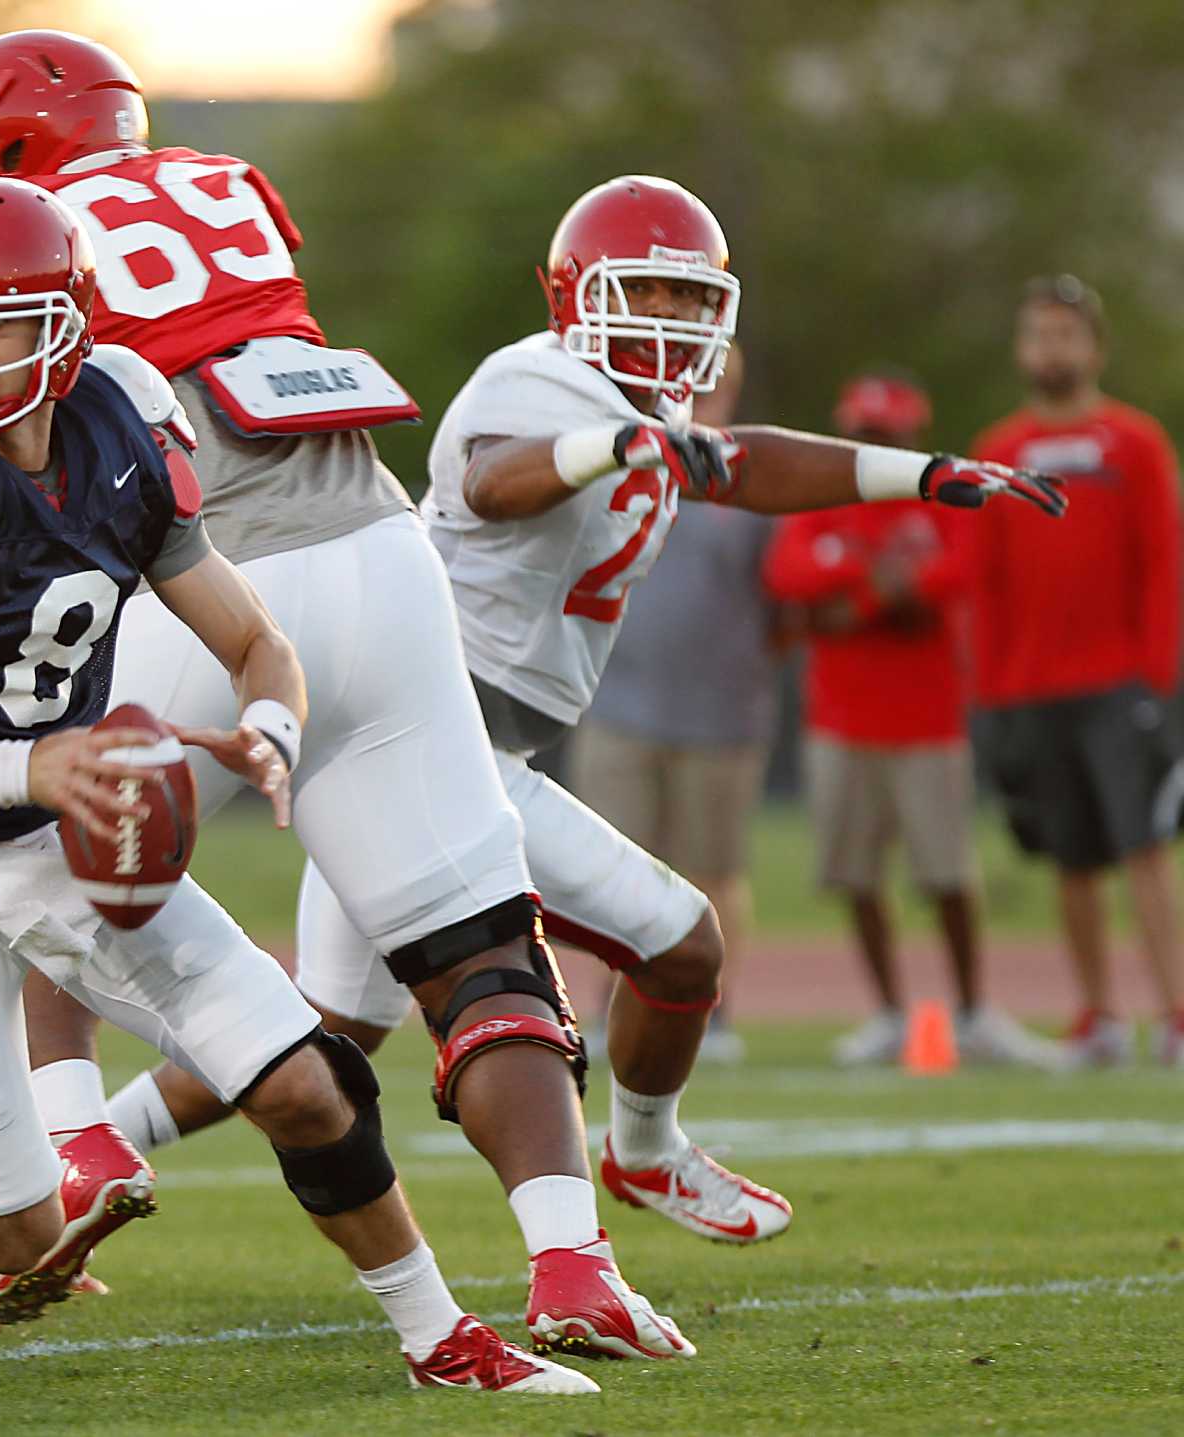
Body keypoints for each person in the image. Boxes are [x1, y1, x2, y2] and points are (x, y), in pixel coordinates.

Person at [0, 30, 701, 1363]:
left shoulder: (24, 239)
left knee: (59, 832)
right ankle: (575, 1265)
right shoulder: (230, 179)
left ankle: (82, 1129)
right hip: (384, 558)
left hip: (209, 564)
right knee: (481, 951)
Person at [0, 176, 595, 1395]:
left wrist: (268, 726)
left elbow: (258, 643)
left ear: (68, 324)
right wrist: (29, 762)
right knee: (13, 1233)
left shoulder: (123, 434)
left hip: (58, 827)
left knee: (308, 1086)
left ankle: (439, 1340)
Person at [282, 174, 1061, 1264]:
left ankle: (73, 1173)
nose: (669, 319)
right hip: (436, 743)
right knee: (679, 946)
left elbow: (752, 465)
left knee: (308, 1062)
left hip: (446, 743)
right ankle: (621, 1183)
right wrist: (617, 449)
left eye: (689, 299)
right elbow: (496, 479)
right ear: (575, 294)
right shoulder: (539, 378)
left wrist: (923, 474)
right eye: (644, 290)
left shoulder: (642, 412)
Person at [765, 373, 1061, 1068]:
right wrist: (884, 586)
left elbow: (956, 574)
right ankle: (890, 1014)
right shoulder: (825, 495)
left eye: (884, 433)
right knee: (857, 875)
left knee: (947, 874)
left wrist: (855, 597)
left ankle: (974, 1008)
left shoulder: (941, 496)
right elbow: (790, 575)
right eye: (862, 432)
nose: (872, 443)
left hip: (927, 722)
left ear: (910, 436)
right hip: (841, 720)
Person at [970, 275, 1184, 1068]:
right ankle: (1097, 1014)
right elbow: (980, 580)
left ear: (1093, 347)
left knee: (1147, 848)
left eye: (1066, 334)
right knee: (1073, 860)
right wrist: (989, 694)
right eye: (1038, 334)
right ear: (1023, 348)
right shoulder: (1000, 452)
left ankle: (1175, 1013)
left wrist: (1156, 680)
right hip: (1030, 689)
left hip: (1121, 686)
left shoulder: (1134, 442)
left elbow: (1162, 565)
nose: (1052, 349)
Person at [570, 346, 771, 1064]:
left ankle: (711, 1013)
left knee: (712, 868)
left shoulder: (750, 478)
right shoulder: (623, 455)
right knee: (616, 873)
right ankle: (614, 1007)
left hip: (720, 712)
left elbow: (779, 599)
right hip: (618, 699)